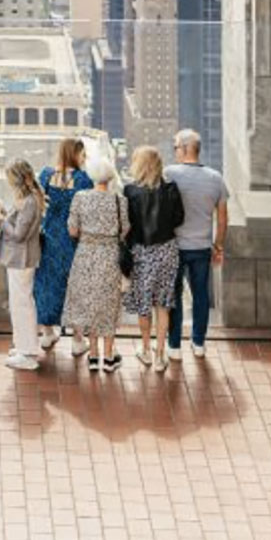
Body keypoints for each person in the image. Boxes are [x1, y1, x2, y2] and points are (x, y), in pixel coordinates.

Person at [165, 128, 229, 359]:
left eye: (175, 147)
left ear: (184, 148)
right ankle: (199, 343)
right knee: (201, 295)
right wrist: (218, 246)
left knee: (174, 295)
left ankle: (174, 346)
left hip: (174, 246)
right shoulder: (215, 178)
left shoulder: (169, 173)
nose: (174, 152)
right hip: (202, 247)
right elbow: (222, 218)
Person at [61, 155, 128, 374]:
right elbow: (124, 230)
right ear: (110, 177)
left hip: (86, 255)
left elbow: (71, 230)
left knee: (90, 301)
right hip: (109, 256)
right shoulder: (119, 200)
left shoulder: (80, 197)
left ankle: (93, 355)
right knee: (108, 303)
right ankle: (109, 357)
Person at [123, 147, 186, 373]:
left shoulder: (130, 191)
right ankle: (161, 355)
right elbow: (179, 218)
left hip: (141, 252)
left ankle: (146, 351)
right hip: (167, 250)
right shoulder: (171, 189)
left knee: (143, 305)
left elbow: (127, 225)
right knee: (163, 305)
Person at [35, 137, 91, 354]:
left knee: (47, 284)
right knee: (74, 287)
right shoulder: (82, 179)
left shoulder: (46, 175)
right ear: (74, 154)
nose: (84, 158)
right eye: (82, 154)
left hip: (49, 238)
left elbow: (41, 205)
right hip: (72, 240)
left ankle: (48, 333)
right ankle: (78, 340)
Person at [0, 161, 46, 370]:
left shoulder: (29, 202)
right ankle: (24, 345)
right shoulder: (30, 199)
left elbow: (18, 235)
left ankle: (28, 353)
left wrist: (0, 217)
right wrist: (5, 214)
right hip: (21, 259)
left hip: (21, 259)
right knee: (21, 303)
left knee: (21, 304)